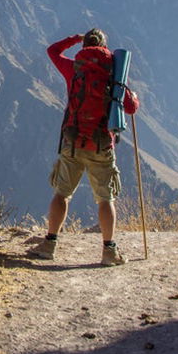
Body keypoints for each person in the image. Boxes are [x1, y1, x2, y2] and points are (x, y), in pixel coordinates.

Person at [31, 28, 139, 265]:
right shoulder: (114, 73)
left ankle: (49, 245)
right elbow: (131, 108)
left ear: (84, 46)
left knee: (62, 194)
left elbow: (52, 51)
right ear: (105, 47)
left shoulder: (74, 70)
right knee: (105, 199)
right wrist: (133, 96)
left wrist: (75, 38)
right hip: (102, 145)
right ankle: (109, 251)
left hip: (73, 142)